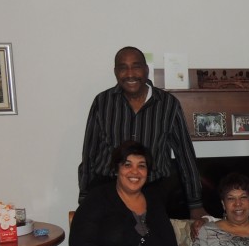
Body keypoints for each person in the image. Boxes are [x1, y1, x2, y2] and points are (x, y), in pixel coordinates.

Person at [78, 46, 207, 220]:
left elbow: (185, 155)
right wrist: (85, 198)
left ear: (146, 70)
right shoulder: (102, 102)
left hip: (153, 191)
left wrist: (195, 203)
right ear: (115, 72)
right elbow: (89, 154)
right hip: (108, 189)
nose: (130, 74)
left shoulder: (168, 104)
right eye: (123, 68)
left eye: (136, 66)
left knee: (152, 236)